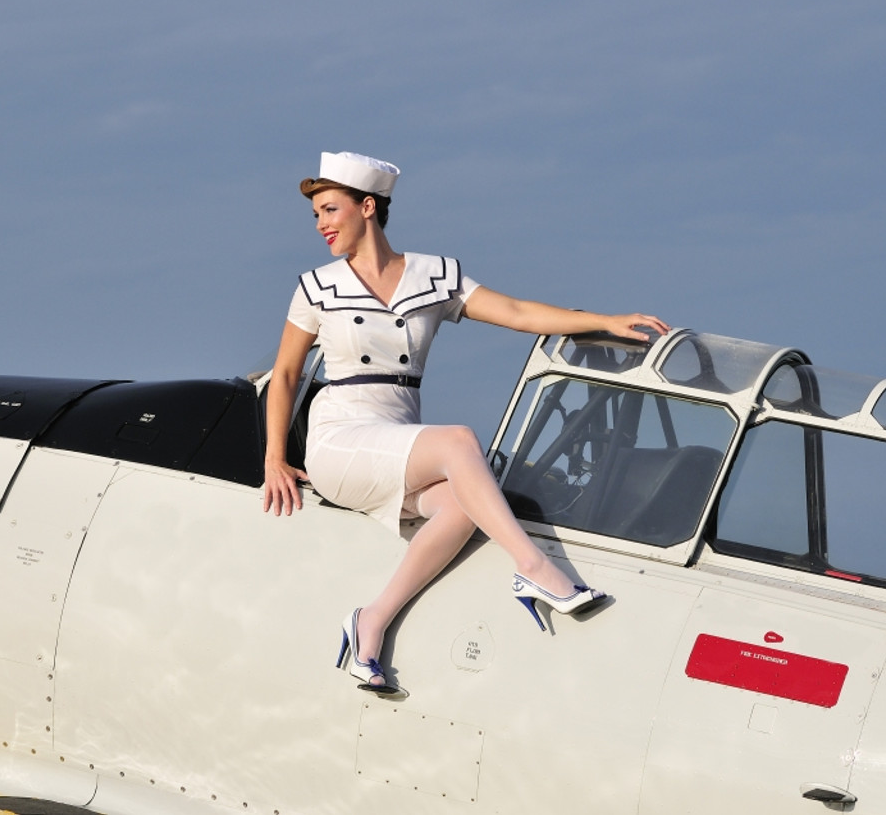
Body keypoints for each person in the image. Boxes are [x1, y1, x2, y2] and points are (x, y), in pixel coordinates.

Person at [262, 151, 668, 697]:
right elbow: (285, 374)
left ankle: (371, 622)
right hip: (341, 438)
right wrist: (273, 459)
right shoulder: (317, 287)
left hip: (398, 436)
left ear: (367, 207)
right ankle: (532, 565)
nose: (321, 225)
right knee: (459, 442)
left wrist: (603, 321)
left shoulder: (434, 276)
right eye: (315, 215)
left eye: (330, 209)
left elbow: (519, 313)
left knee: (460, 505)